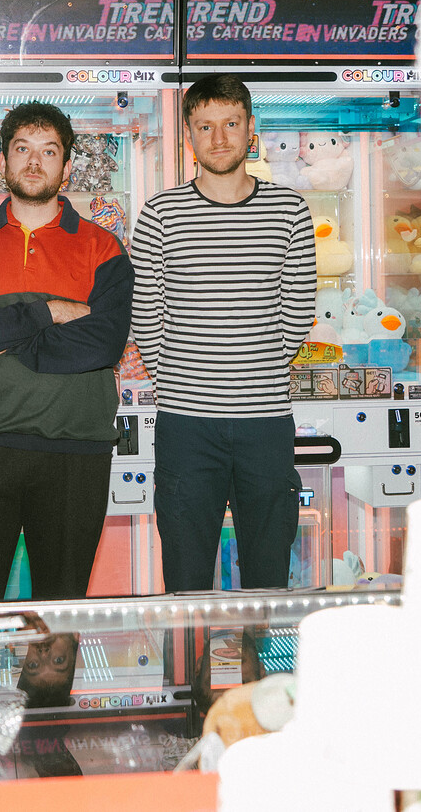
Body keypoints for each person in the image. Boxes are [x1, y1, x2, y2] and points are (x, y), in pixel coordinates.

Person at [0, 102, 132, 602]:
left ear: (67, 167)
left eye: (49, 151)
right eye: (22, 149)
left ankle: (46, 689)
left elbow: (105, 342)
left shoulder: (104, 248)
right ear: (3, 161)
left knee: (59, 619)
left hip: (75, 453)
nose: (34, 162)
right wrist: (50, 312)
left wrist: (12, 342)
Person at [131, 74, 316, 591]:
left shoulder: (290, 212)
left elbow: (298, 312)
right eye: (205, 126)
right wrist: (178, 381)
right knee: (186, 584)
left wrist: (255, 370)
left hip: (266, 424)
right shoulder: (161, 214)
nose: (219, 138)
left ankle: (267, 673)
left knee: (268, 580)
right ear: (189, 134)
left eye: (231, 123)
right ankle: (190, 676)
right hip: (186, 425)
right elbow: (146, 314)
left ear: (250, 129)